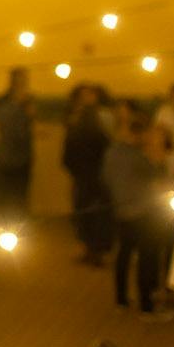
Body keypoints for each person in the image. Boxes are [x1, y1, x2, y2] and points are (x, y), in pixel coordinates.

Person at [103, 112, 174, 320]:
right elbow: (157, 173)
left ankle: (121, 299)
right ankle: (147, 305)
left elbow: (105, 178)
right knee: (147, 257)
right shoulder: (137, 156)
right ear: (141, 134)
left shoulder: (112, 152)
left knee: (123, 255)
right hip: (143, 212)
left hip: (121, 210)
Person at [64, 85, 114, 266]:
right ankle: (91, 248)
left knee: (91, 212)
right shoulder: (81, 116)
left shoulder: (96, 117)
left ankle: (93, 249)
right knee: (89, 211)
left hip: (91, 172)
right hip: (89, 172)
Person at [0, 69, 34, 218]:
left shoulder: (25, 102)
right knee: (7, 196)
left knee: (17, 196)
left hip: (19, 157)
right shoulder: (7, 104)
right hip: (8, 157)